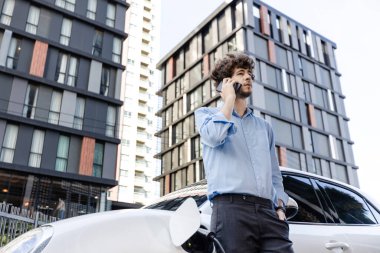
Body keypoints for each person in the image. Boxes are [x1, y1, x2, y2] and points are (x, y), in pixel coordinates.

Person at [195, 52, 294, 253]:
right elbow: (214, 136)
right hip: (231, 211)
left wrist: (280, 208)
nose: (248, 77)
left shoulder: (264, 127)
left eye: (250, 73)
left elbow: (275, 175)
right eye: (241, 73)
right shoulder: (206, 115)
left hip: (269, 213)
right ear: (226, 82)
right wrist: (229, 99)